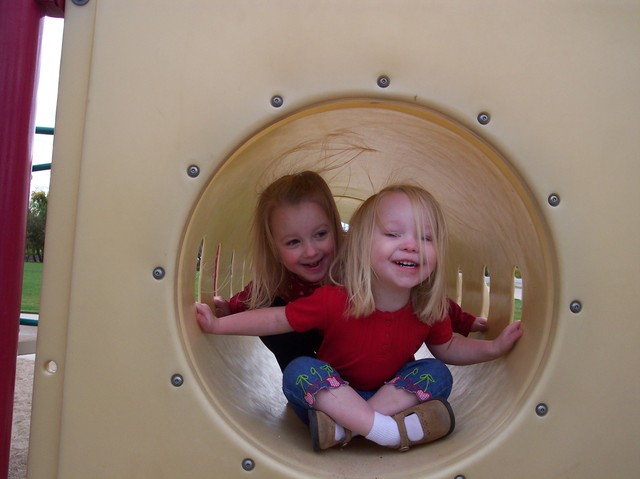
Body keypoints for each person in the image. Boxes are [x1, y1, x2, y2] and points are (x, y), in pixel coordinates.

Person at [197, 184, 523, 452]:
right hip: (330, 397)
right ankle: (389, 431)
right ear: (361, 245)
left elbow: (449, 347)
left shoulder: (429, 305)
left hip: (388, 393)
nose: (412, 247)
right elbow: (274, 319)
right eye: (394, 235)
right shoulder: (336, 298)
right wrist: (218, 325)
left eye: (426, 238)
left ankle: (347, 429)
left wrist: (492, 349)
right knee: (299, 371)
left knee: (437, 372)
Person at [211, 171, 344, 371]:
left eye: (321, 234)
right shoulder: (281, 277)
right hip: (307, 347)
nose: (310, 251)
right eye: (293, 242)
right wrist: (229, 309)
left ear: (334, 227)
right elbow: (252, 297)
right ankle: (306, 378)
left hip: (349, 346)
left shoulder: (354, 261)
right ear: (274, 248)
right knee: (266, 306)